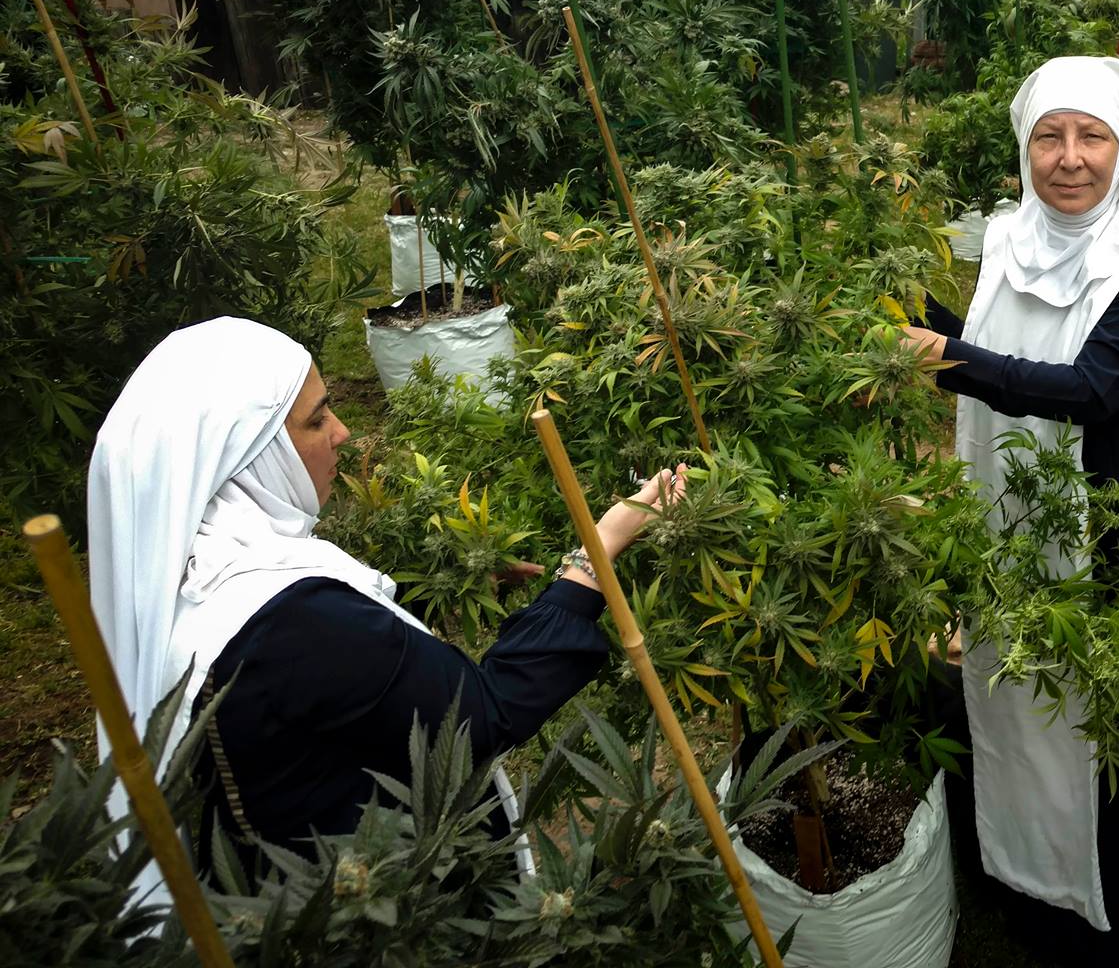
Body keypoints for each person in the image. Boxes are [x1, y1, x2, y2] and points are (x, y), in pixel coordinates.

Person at [86, 317, 682, 892]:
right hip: (385, 904)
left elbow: (337, 682)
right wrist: (596, 553)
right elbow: (482, 715)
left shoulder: (191, 570)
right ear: (249, 455)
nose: (343, 432)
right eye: (317, 419)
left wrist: (436, 595)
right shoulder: (294, 620)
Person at [899, 55, 1119, 966]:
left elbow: (1094, 388)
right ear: (1025, 147)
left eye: (1093, 136)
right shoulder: (1009, 238)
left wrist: (945, 359)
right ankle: (1040, 890)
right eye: (1049, 136)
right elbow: (993, 341)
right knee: (1031, 707)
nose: (1070, 158)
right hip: (1020, 518)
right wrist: (911, 316)